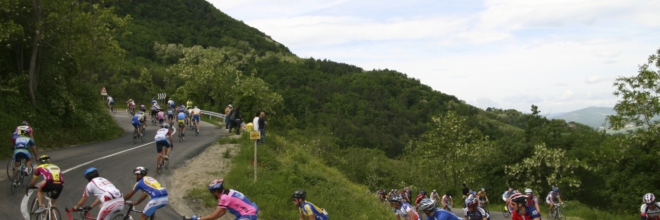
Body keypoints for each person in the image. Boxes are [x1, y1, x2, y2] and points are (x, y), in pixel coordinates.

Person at [189, 179, 258, 220]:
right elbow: (222, 212)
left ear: (216, 192)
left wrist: (199, 219)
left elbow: (213, 215)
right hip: (248, 213)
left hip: (248, 214)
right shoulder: (230, 191)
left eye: (211, 192)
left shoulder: (224, 198)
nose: (211, 194)